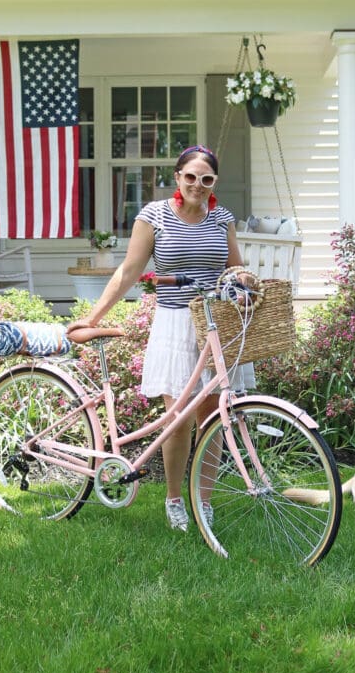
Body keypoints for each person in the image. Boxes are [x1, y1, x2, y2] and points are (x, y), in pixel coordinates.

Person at [66, 144, 252, 532]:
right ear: (177, 178)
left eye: (206, 179)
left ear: (214, 182)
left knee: (214, 416)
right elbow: (130, 270)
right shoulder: (155, 216)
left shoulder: (222, 219)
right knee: (178, 418)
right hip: (175, 323)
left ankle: (204, 502)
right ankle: (173, 500)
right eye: (190, 177)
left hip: (217, 322)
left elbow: (235, 268)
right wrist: (93, 315)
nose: (198, 185)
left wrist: (245, 280)